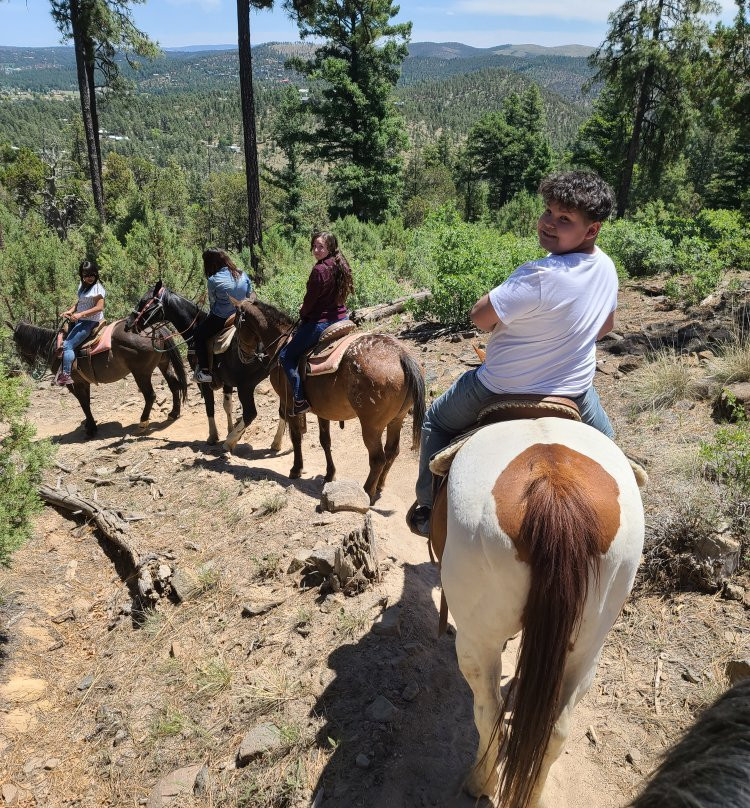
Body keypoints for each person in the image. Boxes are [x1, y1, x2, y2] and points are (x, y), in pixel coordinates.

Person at [409, 170, 618, 537]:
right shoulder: (605, 267)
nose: (549, 223)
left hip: (499, 388)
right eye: (548, 212)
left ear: (592, 229)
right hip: (574, 393)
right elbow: (605, 327)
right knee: (612, 452)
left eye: (564, 219)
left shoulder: (538, 274)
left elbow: (480, 316)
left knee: (436, 422)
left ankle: (426, 505)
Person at [279, 231, 354, 416]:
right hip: (342, 319)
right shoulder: (340, 264)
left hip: (321, 322)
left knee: (285, 356)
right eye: (314, 246)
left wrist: (302, 311)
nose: (316, 250)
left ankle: (299, 399)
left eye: (321, 246)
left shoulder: (319, 270)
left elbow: (310, 302)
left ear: (330, 247)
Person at [193, 248, 252, 384]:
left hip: (222, 318)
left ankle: (205, 371)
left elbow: (213, 304)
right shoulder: (242, 273)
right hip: (243, 314)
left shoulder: (213, 280)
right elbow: (250, 294)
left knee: (198, 334)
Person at [56, 259, 106, 386]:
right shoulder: (83, 286)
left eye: (91, 275)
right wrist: (70, 310)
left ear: (96, 274)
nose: (89, 278)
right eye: (85, 275)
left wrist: (80, 314)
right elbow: (80, 302)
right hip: (81, 319)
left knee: (67, 345)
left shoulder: (97, 288)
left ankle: (66, 375)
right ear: (82, 276)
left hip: (89, 322)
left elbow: (100, 307)